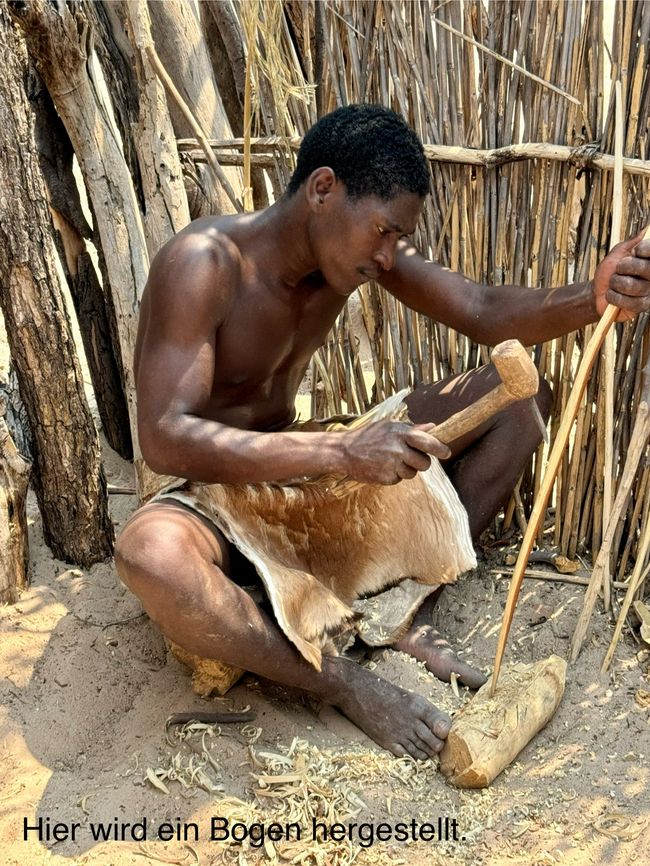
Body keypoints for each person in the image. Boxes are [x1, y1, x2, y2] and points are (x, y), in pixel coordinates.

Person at [115, 104, 650, 761]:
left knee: (514, 405)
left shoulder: (354, 256)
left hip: (307, 473)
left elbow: (481, 308)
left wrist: (591, 297)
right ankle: (340, 681)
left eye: (398, 239)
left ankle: (408, 617)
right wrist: (342, 449)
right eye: (383, 231)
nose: (389, 254)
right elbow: (164, 437)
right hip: (216, 496)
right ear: (322, 189)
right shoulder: (205, 263)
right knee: (151, 556)